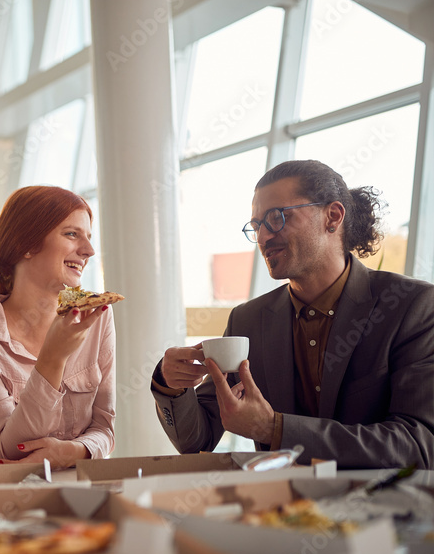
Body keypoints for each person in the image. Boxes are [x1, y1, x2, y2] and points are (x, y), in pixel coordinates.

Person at [153, 159, 434, 469]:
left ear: (332, 216)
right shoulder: (248, 320)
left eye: (276, 218)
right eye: (257, 225)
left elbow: (418, 446)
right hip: (282, 510)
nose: (263, 237)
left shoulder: (412, 306)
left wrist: (274, 429)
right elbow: (198, 440)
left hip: (385, 511)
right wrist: (170, 385)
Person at [0, 185, 115, 468]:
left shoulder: (97, 318)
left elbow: (105, 429)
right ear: (26, 244)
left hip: (67, 491)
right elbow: (8, 448)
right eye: (72, 234)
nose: (88, 250)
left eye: (88, 237)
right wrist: (54, 357)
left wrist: (71, 452)